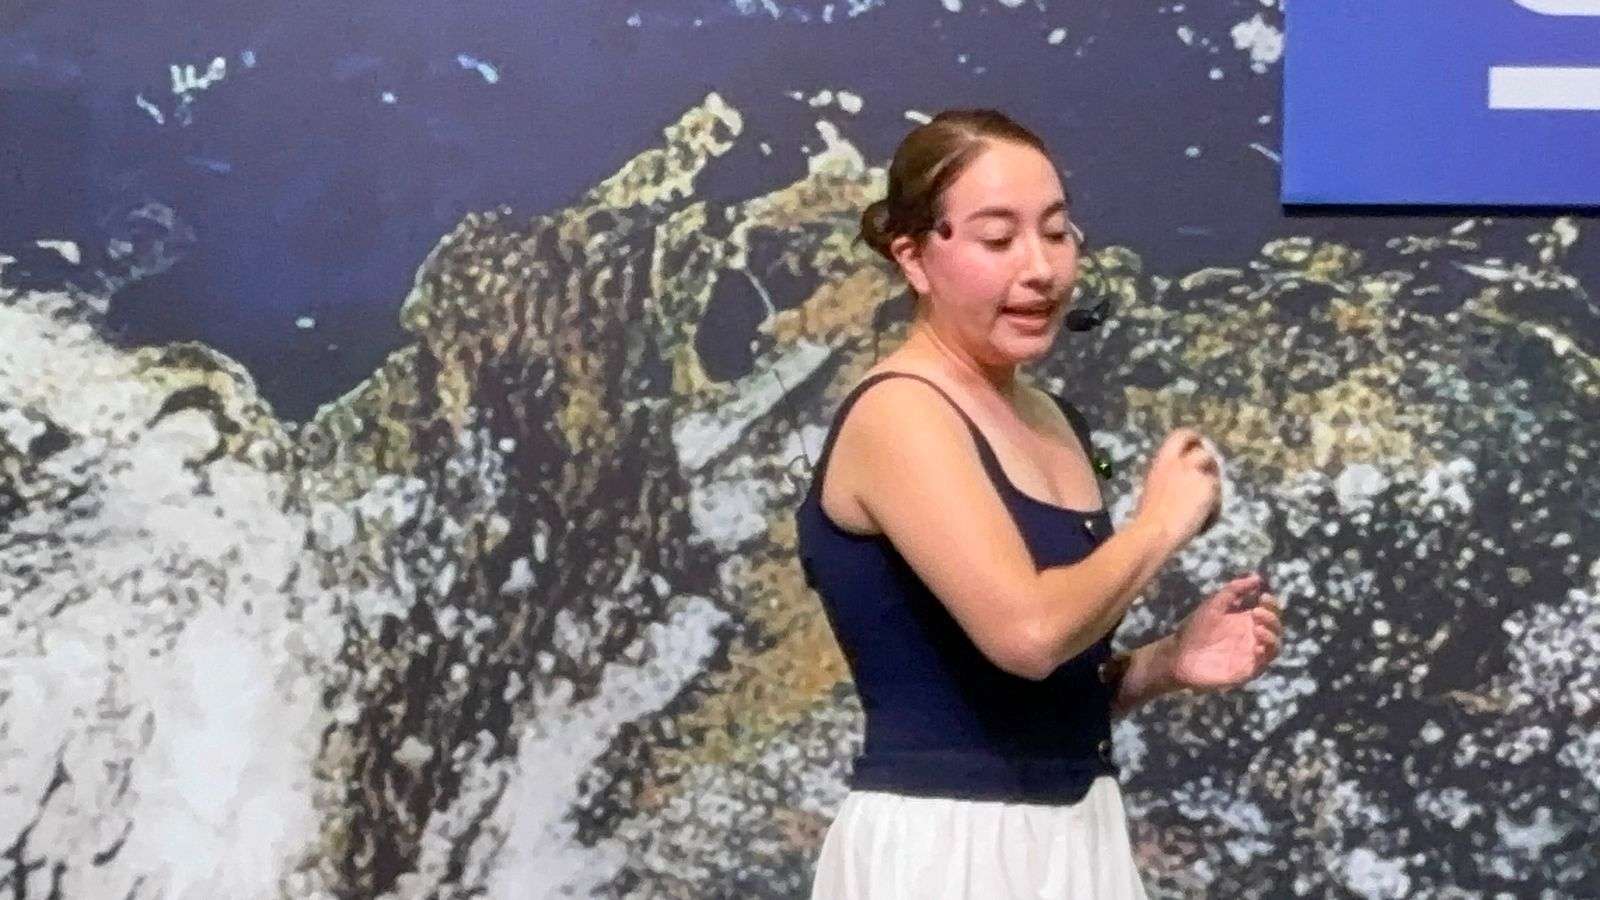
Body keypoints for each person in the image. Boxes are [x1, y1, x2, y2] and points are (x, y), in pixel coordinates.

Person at [795, 109, 1284, 899]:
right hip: (946, 851)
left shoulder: (1053, 418)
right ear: (914, 257)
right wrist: (1161, 523)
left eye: (1056, 233)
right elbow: (1027, 634)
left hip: (1078, 833)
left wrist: (1164, 664)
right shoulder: (901, 412)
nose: (1041, 268)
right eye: (998, 240)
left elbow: (1037, 696)